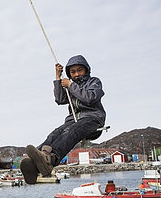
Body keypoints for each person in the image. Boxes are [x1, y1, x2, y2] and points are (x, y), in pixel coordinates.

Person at [21, 55, 106, 183]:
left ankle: (51, 159)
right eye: (73, 72)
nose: (76, 74)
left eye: (79, 70)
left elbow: (90, 97)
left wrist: (71, 85)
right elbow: (60, 100)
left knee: (71, 132)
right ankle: (35, 161)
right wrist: (57, 78)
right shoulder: (70, 86)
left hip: (93, 119)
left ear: (87, 70)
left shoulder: (94, 82)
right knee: (55, 133)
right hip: (73, 120)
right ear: (69, 73)